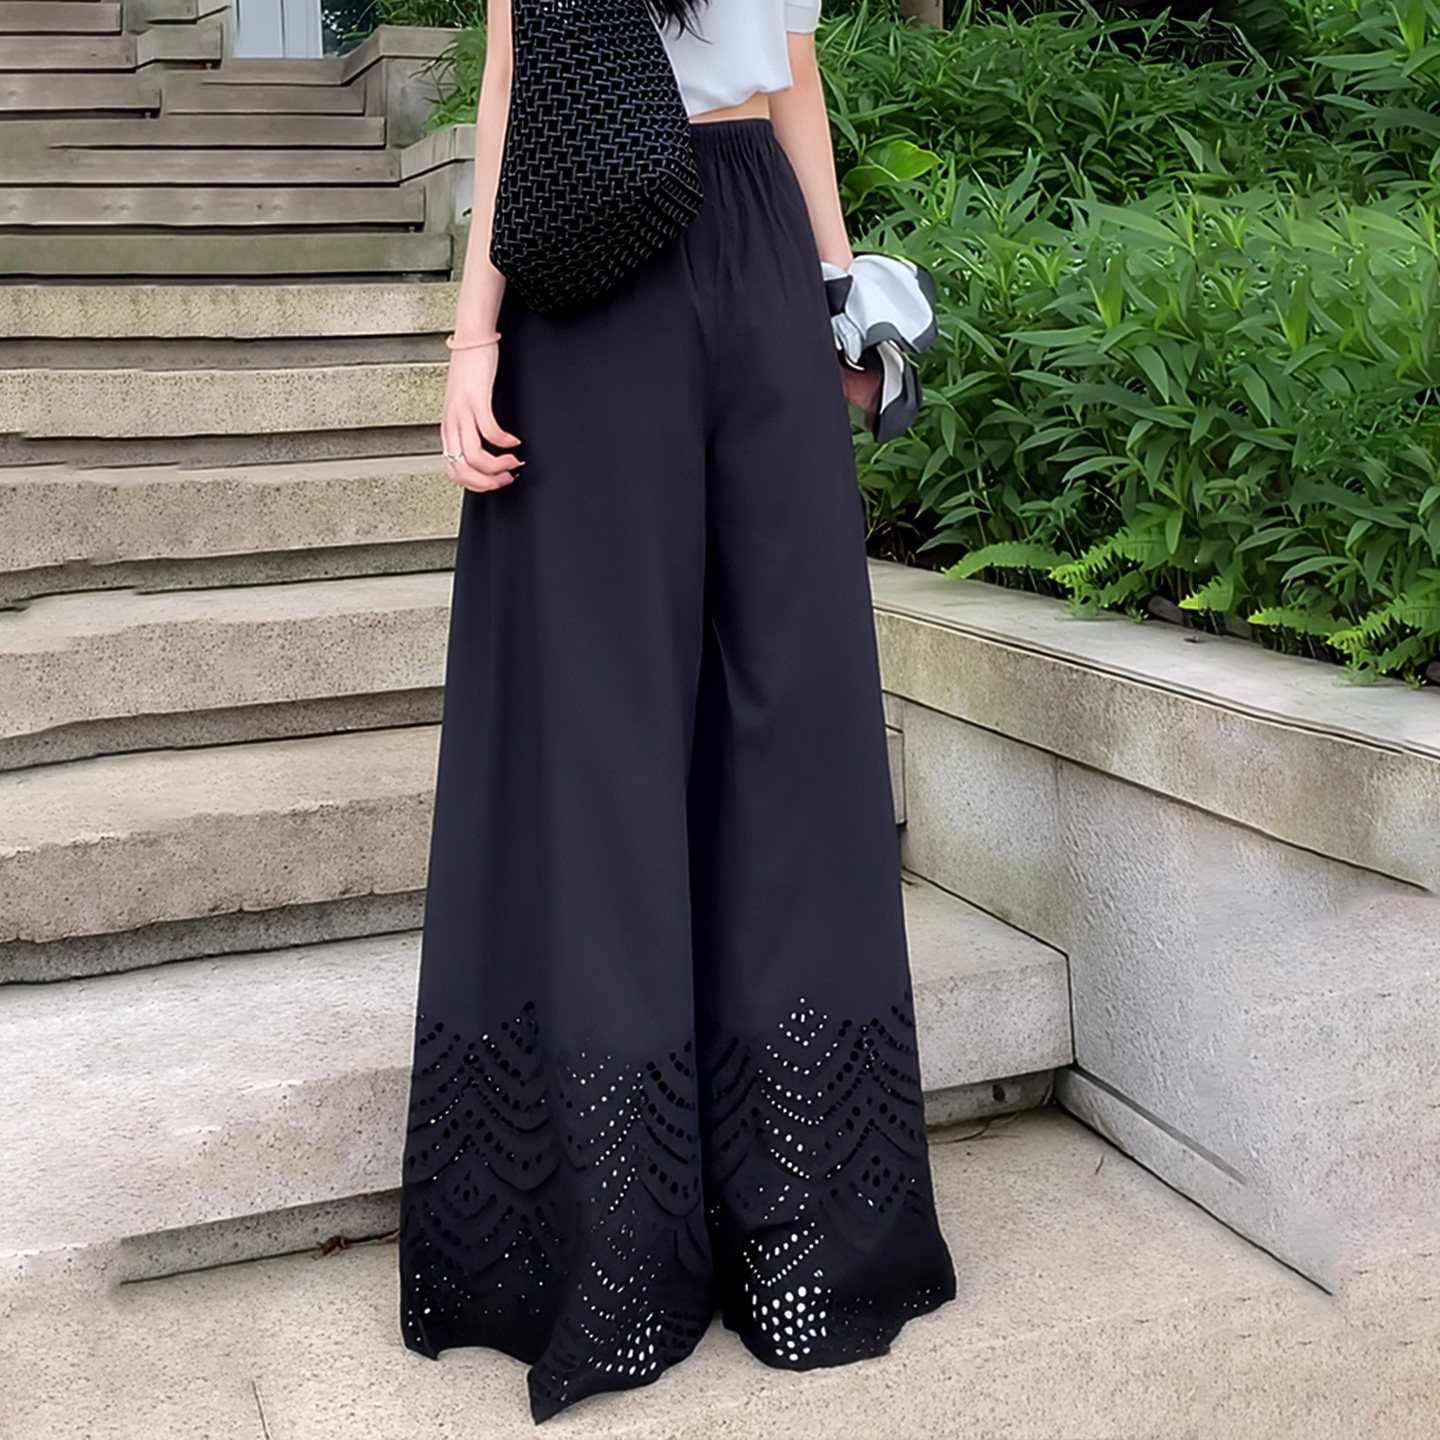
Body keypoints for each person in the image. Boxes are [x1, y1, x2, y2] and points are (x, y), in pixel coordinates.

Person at [397, 0, 958, 1423]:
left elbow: (524, 77)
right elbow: (784, 76)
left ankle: (633, 1247)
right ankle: (793, 1233)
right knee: (778, 721)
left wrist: (474, 337)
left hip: (622, 252)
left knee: (623, 727)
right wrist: (833, 290)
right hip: (726, 238)